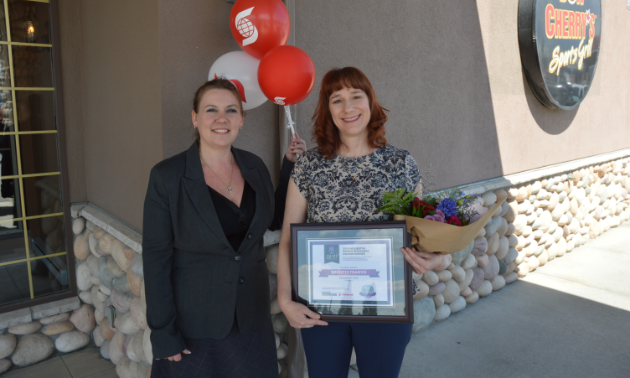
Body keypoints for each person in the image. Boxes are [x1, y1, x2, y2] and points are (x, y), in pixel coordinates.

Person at [276, 67, 444, 378]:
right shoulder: (308, 167)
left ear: (371, 102)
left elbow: (424, 232)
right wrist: (285, 300)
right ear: (328, 109)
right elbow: (288, 238)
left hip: (387, 303)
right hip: (322, 305)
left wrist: (439, 257)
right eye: (336, 100)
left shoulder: (401, 163)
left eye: (356, 96)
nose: (348, 108)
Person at [142, 78, 306, 377]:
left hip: (250, 319)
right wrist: (163, 333)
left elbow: (271, 218)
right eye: (211, 110)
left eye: (231, 110)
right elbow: (156, 260)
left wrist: (289, 168)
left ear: (241, 120)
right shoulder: (167, 176)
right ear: (195, 118)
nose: (222, 118)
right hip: (195, 322)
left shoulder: (253, 165)